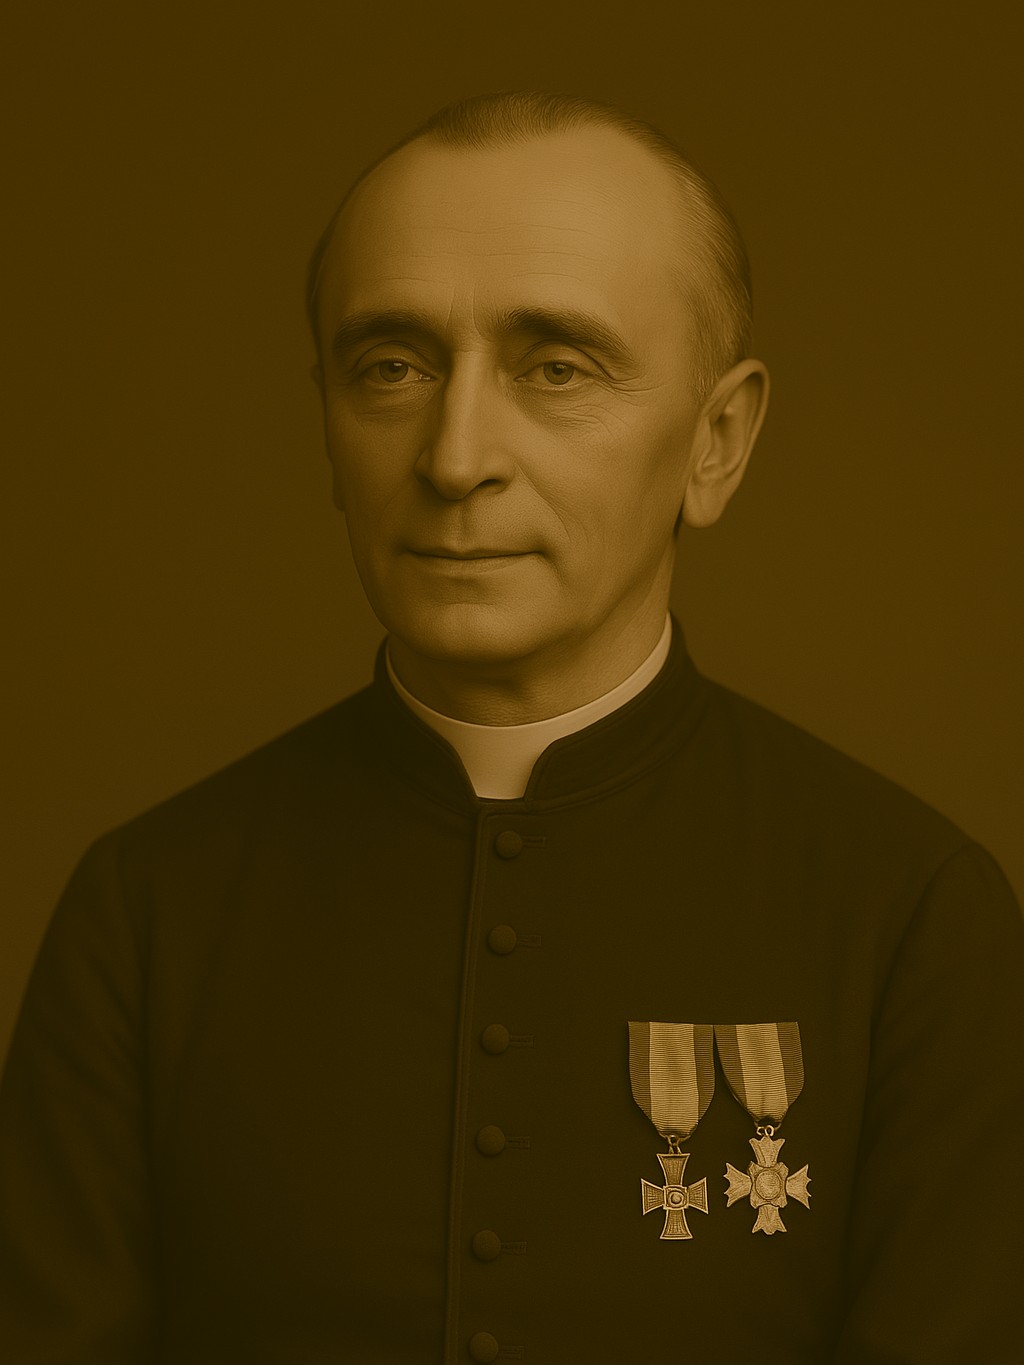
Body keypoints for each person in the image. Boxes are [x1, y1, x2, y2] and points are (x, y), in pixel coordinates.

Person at [1, 90, 1021, 1364]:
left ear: (716, 442)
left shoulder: (913, 916)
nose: (454, 456)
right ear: (327, 425)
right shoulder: (146, 912)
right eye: (392, 367)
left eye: (556, 368)